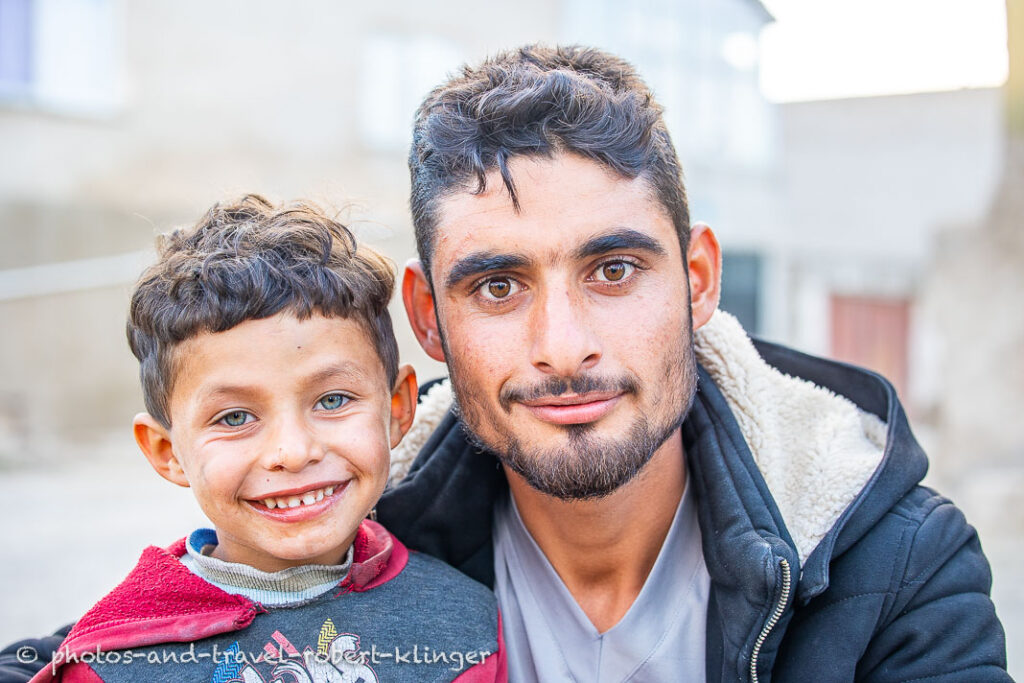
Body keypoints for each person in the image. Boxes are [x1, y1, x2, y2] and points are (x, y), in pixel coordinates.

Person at [1, 44, 1010, 683]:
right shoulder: (349, 516)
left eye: (614, 268)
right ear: (427, 322)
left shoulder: (897, 565)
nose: (561, 344)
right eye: (497, 286)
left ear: (699, 282)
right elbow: (145, 637)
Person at [23, 195, 505, 683]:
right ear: (167, 452)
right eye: (234, 417)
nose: (294, 453)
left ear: (397, 408)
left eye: (333, 400)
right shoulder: (113, 661)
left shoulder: (463, 627)